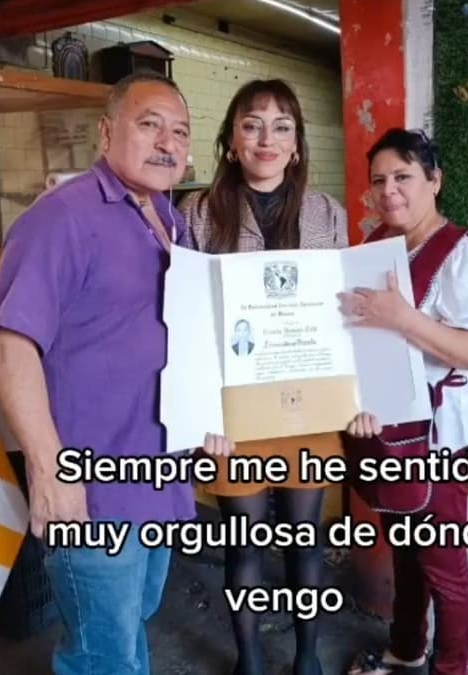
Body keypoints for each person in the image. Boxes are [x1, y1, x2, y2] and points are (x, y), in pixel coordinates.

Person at [0, 72, 229, 675]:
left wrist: (207, 416)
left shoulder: (170, 220)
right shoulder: (63, 217)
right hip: (93, 492)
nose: (167, 143)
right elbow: (8, 348)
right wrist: (50, 472)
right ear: (106, 132)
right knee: (103, 653)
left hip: (159, 476)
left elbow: (174, 338)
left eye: (180, 132)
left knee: (132, 620)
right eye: (149, 125)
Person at [178, 78, 348, 675]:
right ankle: (248, 659)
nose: (266, 138)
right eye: (251, 125)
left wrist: (356, 394)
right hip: (234, 413)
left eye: (281, 126)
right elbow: (186, 319)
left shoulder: (327, 214)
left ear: (297, 144)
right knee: (243, 544)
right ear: (231, 141)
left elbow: (344, 317)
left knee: (306, 540)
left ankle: (308, 658)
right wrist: (201, 413)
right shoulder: (198, 213)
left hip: (309, 405)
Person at [340, 129, 468, 675]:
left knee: (443, 567)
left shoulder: (461, 256)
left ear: (434, 181)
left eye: (403, 177)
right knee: (407, 552)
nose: (389, 191)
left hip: (438, 439)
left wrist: (405, 318)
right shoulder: (375, 248)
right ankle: (407, 649)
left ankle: (450, 666)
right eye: (379, 181)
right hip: (385, 431)